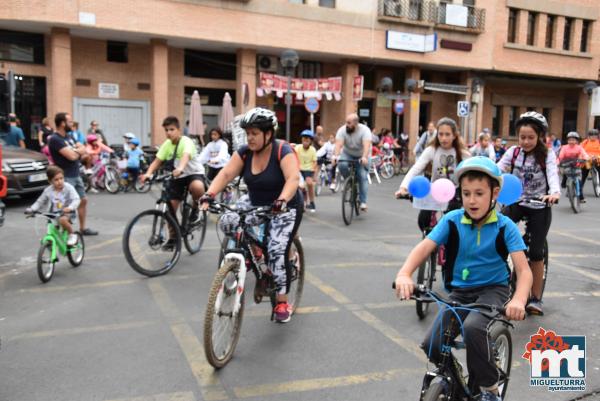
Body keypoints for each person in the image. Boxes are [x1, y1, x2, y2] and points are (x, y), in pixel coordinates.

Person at [395, 157, 531, 401]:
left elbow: (523, 270)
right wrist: (404, 274)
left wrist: (519, 300)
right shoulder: (453, 220)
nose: (472, 200)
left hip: (493, 291)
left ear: (495, 193)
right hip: (459, 292)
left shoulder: (504, 226)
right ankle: (455, 382)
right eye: (466, 193)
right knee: (432, 345)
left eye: (479, 193)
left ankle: (490, 389)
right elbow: (424, 248)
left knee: (473, 329)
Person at [200, 107, 303, 323]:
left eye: (255, 133)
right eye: (248, 133)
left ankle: (282, 300)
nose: (250, 138)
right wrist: (209, 194)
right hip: (256, 201)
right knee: (227, 220)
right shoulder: (245, 153)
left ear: (268, 134)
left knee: (276, 249)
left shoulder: (282, 150)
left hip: (285, 205)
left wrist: (282, 200)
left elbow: (293, 179)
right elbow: (227, 173)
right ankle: (253, 251)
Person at [497, 111, 560, 315]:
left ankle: (535, 297)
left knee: (535, 252)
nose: (525, 141)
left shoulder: (547, 154)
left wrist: (554, 193)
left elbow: (552, 174)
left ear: (540, 136)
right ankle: (497, 285)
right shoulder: (513, 152)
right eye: (522, 137)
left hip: (539, 205)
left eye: (530, 137)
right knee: (497, 235)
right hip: (516, 201)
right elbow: (498, 170)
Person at [141, 116, 207, 249]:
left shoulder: (186, 141)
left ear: (179, 130)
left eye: (172, 129)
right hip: (177, 177)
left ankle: (195, 210)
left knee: (197, 187)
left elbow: (185, 155)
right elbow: (157, 161)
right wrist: (148, 173)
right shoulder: (167, 144)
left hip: (193, 173)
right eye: (166, 130)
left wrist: (181, 168)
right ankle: (173, 238)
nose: (168, 132)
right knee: (170, 208)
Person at [396, 117, 471, 231]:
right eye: (440, 134)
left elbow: (472, 173)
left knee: (452, 223)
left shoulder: (462, 153)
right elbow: (416, 169)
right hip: (434, 190)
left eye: (447, 134)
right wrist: (403, 187)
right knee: (423, 220)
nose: (443, 138)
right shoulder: (432, 150)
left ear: (454, 135)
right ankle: (431, 242)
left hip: (454, 192)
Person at [48, 112, 98, 236]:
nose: (72, 124)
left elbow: (83, 148)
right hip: (65, 177)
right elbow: (71, 156)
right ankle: (65, 232)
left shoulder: (69, 136)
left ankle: (82, 229)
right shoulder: (55, 139)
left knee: (83, 200)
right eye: (69, 122)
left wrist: (76, 151)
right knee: (66, 205)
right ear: (62, 123)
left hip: (76, 174)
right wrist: (77, 152)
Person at [25, 166, 81, 246]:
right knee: (51, 228)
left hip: (68, 213)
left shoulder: (68, 188)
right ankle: (52, 252)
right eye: (56, 180)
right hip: (54, 214)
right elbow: (40, 202)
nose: (60, 181)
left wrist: (70, 208)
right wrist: (32, 209)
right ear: (50, 181)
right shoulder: (48, 190)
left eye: (61, 178)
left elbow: (76, 199)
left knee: (62, 220)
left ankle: (72, 235)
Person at [333, 113, 372, 211]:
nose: (346, 124)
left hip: (362, 155)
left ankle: (363, 202)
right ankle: (349, 181)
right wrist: (335, 156)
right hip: (348, 153)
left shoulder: (365, 131)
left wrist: (364, 157)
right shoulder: (342, 130)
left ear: (355, 124)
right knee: (341, 164)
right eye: (346, 122)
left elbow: (366, 146)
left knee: (362, 176)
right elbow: (338, 144)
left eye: (349, 123)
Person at [557, 131, 590, 202]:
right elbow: (560, 156)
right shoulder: (564, 147)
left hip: (577, 164)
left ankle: (581, 197)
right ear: (567, 140)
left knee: (579, 181)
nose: (571, 141)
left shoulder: (579, 148)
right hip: (567, 164)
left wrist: (586, 158)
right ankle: (567, 185)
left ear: (577, 141)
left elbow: (584, 154)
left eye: (573, 140)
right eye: (569, 140)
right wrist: (558, 162)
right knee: (567, 174)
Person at [296, 130, 317, 212]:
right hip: (299, 169)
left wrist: (314, 172)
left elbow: (315, 162)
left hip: (309, 169)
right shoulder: (298, 147)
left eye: (307, 140)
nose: (305, 142)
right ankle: (303, 203)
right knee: (300, 186)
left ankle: (312, 202)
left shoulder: (313, 150)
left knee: (309, 183)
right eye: (304, 140)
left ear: (310, 141)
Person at [581, 129, 600, 195]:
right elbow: (580, 150)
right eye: (591, 135)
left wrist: (597, 156)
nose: (593, 136)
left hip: (598, 160)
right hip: (588, 160)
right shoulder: (585, 142)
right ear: (589, 136)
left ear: (597, 136)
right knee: (584, 174)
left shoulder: (599, 142)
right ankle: (579, 189)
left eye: (595, 135)